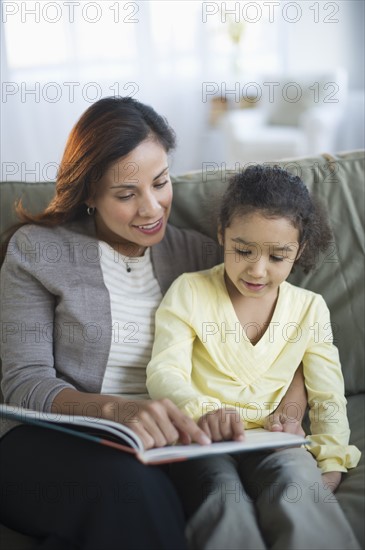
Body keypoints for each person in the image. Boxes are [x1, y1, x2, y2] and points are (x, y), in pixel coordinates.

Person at [1, 97, 306, 550]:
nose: (151, 209)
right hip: (51, 439)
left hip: (172, 443)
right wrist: (119, 410)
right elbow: (23, 383)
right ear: (89, 193)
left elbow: (287, 335)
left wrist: (293, 409)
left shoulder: (202, 256)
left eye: (160, 182)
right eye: (126, 195)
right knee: (129, 490)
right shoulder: (38, 252)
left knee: (207, 493)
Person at [147, 165, 362, 549]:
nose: (257, 270)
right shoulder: (189, 292)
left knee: (296, 484)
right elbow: (165, 371)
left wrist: (330, 462)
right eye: (243, 250)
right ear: (221, 235)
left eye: (278, 257)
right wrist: (203, 411)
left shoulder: (310, 309)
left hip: (272, 442)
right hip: (203, 439)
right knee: (220, 495)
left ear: (300, 251)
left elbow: (328, 394)